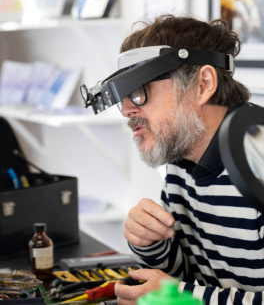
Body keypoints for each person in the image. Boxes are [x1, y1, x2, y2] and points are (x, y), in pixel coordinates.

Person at [111, 15, 262, 305]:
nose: (127, 110)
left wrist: (178, 297)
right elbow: (184, 275)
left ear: (203, 84)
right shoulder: (181, 160)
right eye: (124, 95)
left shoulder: (258, 161)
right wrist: (149, 242)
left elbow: (182, 292)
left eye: (139, 90)